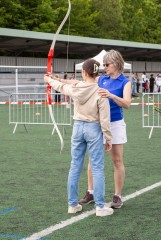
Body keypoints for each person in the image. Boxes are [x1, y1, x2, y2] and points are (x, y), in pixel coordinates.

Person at [44, 59, 114, 217]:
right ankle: (100, 207)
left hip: (78, 128)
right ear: (97, 73)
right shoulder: (100, 91)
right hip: (94, 129)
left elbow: (62, 87)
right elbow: (105, 118)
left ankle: (72, 205)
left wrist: (49, 80)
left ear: (84, 73)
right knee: (97, 168)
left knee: (75, 166)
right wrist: (108, 138)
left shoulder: (77, 88)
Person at [79, 49, 131, 209]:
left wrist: (111, 95)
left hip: (115, 124)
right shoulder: (101, 79)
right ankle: (91, 192)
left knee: (117, 160)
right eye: (104, 65)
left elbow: (127, 104)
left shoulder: (125, 82)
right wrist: (56, 80)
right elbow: (80, 83)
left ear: (116, 64)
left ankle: (117, 196)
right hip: (99, 124)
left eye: (107, 64)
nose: (104, 67)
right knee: (92, 160)